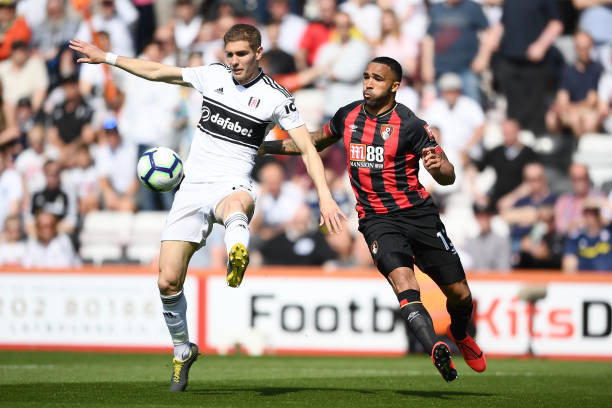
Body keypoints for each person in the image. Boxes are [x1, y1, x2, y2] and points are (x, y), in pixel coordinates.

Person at [69, 23, 346, 392]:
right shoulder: (211, 75)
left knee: (236, 204)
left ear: (259, 53)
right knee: (167, 280)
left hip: (234, 181)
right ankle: (183, 350)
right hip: (192, 188)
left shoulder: (276, 97)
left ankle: (237, 251)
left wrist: (325, 196)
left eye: (241, 54)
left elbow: (308, 147)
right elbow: (158, 71)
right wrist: (108, 58)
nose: (233, 61)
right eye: (229, 54)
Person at [259, 56, 486, 382]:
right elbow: (311, 143)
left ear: (394, 86)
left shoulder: (410, 124)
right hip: (377, 219)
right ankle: (434, 346)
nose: (368, 83)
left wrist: (440, 169)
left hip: (419, 216)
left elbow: (448, 174)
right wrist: (264, 147)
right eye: (366, 76)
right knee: (404, 283)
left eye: (377, 78)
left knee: (461, 295)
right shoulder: (347, 115)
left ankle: (460, 334)